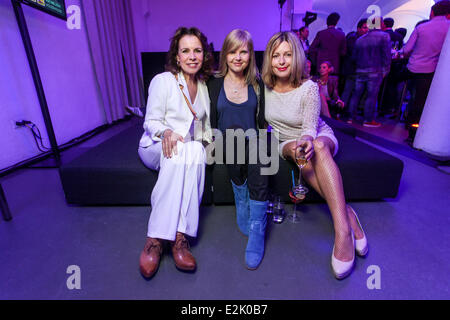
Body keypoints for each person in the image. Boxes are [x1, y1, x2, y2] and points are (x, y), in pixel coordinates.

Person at [262, 31, 368, 280]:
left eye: (287, 54)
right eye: (276, 55)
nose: (281, 60)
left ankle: (342, 231)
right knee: (298, 152)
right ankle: (348, 213)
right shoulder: (264, 88)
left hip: (318, 135)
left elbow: (310, 126)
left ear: (296, 56)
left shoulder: (309, 87)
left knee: (317, 149)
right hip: (286, 140)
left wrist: (309, 140)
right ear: (269, 59)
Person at [138, 27, 214, 278]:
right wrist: (166, 133)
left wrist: (205, 144)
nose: (192, 56)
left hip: (183, 147)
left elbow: (203, 128)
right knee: (181, 149)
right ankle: (156, 239)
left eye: (197, 50)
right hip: (156, 145)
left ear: (204, 55)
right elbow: (150, 122)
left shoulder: (202, 86)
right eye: (186, 51)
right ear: (177, 56)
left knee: (195, 150)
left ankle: (179, 236)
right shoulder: (163, 81)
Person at [207, 29, 269, 270]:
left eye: (243, 51)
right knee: (232, 134)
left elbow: (262, 121)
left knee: (259, 144)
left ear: (250, 54)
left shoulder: (257, 83)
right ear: (225, 54)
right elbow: (210, 122)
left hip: (252, 141)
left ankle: (257, 227)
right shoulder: (213, 83)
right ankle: (240, 199)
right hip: (225, 142)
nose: (238, 57)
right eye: (233, 51)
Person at [402, 0, 450, 142]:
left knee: (409, 91)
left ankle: (405, 119)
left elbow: (407, 49)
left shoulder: (422, 28)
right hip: (431, 71)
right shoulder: (448, 28)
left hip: (413, 68)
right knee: (421, 100)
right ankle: (414, 131)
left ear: (432, 12)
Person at [347, 17, 391, 127]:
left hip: (360, 70)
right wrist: (386, 69)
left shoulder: (360, 39)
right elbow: (386, 55)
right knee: (371, 96)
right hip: (375, 71)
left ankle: (350, 117)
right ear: (380, 24)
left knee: (356, 95)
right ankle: (368, 120)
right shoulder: (384, 36)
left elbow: (354, 57)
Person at [340, 18, 369, 116]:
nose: (366, 30)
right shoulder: (353, 38)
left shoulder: (363, 40)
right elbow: (354, 55)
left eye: (367, 28)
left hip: (358, 70)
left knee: (354, 92)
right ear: (358, 28)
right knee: (348, 91)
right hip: (352, 70)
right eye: (364, 28)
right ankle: (342, 111)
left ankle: (349, 112)